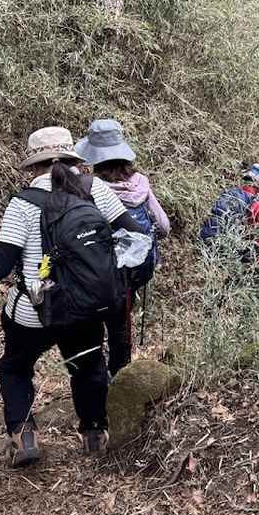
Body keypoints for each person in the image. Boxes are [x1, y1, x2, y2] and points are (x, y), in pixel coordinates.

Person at [0, 126, 141, 467]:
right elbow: (135, 234)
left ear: (34, 165)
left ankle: (24, 436)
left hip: (35, 310)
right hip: (86, 308)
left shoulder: (22, 204)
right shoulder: (97, 191)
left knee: (15, 367)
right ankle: (95, 435)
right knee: (87, 366)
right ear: (72, 157)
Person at [75, 118, 170, 378]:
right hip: (130, 272)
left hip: (97, 272)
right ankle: (120, 379)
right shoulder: (141, 183)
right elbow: (163, 225)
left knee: (93, 328)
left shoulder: (90, 188)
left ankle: (96, 382)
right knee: (120, 327)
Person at [199, 162, 259, 293]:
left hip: (214, 252)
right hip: (241, 261)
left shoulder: (231, 194)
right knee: (257, 293)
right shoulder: (258, 203)